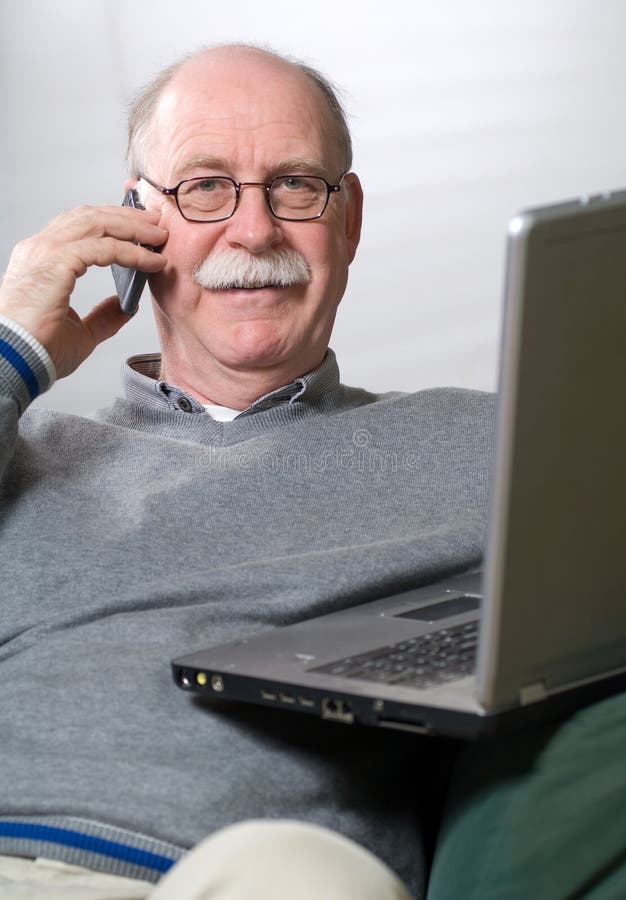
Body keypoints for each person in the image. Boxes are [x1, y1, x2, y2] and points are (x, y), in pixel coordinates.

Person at [0, 44, 495, 898]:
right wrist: (14, 343)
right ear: (132, 225)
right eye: (204, 187)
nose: (256, 229)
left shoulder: (487, 443)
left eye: (297, 185)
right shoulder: (28, 452)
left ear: (350, 219)